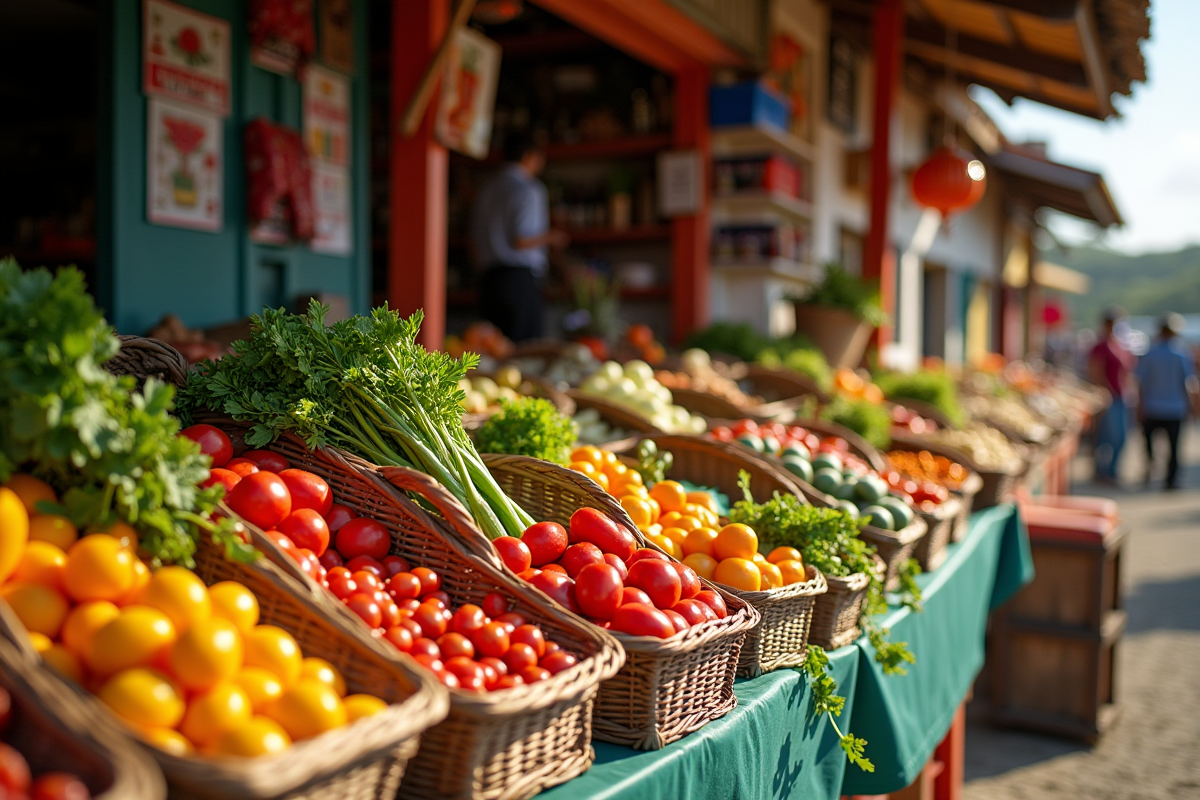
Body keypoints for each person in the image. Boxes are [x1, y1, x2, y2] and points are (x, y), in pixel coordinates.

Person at [468, 134, 568, 342]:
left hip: (488, 281)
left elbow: (474, 242)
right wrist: (551, 237)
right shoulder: (529, 189)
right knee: (525, 352)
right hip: (519, 281)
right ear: (530, 156)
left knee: (492, 352)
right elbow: (521, 240)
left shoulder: (486, 190)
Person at [1136, 313, 1199, 491]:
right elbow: (1189, 383)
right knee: (1174, 447)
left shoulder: (1150, 353)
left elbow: (1141, 382)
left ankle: (1151, 467)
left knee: (1148, 443)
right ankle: (1170, 481)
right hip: (1175, 408)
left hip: (1152, 406)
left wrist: (1140, 406)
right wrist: (1193, 406)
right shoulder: (1181, 353)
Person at [1088, 307, 1135, 484]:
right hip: (1110, 397)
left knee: (1119, 437)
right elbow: (1096, 372)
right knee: (1111, 437)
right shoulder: (1101, 346)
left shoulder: (1119, 345)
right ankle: (1105, 472)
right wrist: (1104, 392)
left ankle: (1109, 470)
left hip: (1122, 396)